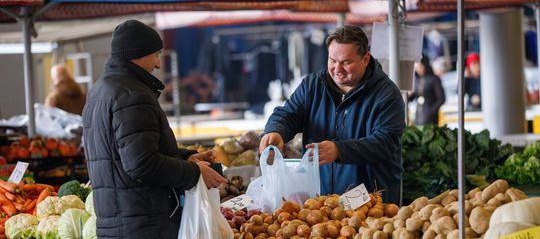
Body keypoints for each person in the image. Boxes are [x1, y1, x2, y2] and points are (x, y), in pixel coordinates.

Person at [82, 20, 226, 239]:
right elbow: (142, 165)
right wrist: (195, 173)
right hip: (144, 225)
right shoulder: (132, 95)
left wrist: (187, 158)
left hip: (117, 223)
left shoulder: (98, 92)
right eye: (155, 54)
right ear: (138, 54)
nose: (158, 64)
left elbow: (125, 156)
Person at [259, 25, 405, 204]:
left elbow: (386, 142)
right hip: (322, 203)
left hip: (370, 202)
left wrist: (339, 150)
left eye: (346, 62)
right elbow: (288, 114)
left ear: (365, 59)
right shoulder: (312, 86)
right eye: (332, 60)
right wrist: (276, 131)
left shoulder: (387, 94)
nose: (337, 69)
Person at [409, 55, 446, 125]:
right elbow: (412, 98)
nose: (418, 70)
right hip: (418, 115)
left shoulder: (434, 79)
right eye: (416, 68)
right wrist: (409, 95)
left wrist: (432, 111)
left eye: (420, 67)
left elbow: (441, 98)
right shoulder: (416, 80)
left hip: (431, 117)